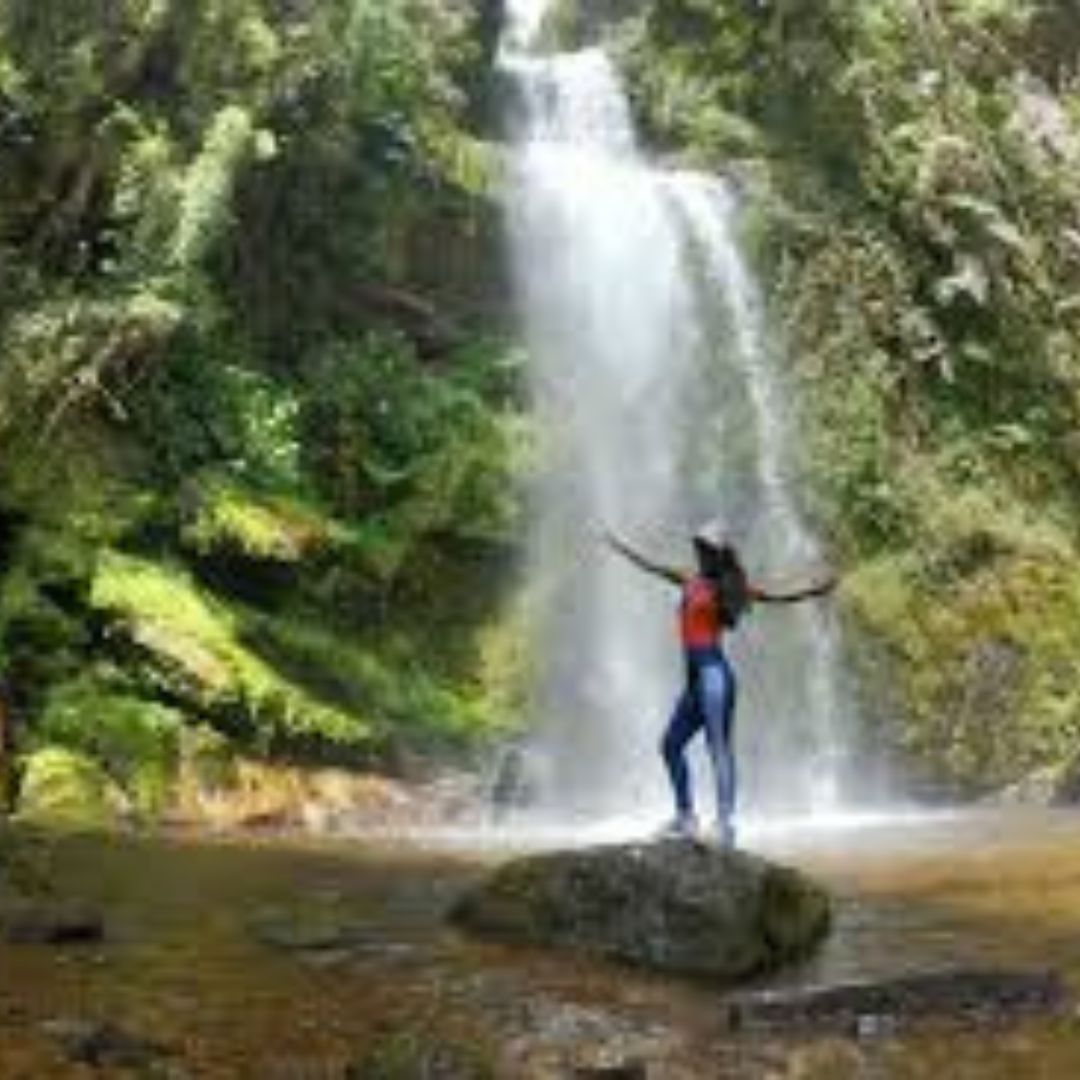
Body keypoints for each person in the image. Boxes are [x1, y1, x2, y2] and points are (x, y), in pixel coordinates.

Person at [604, 521, 836, 848]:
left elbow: (776, 596)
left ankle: (724, 825)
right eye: (699, 548)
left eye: (706, 550)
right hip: (695, 680)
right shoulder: (689, 579)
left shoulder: (730, 589)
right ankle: (685, 817)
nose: (700, 554)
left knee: (718, 748)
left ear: (718, 555)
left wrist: (813, 590)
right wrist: (619, 546)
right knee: (670, 745)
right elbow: (653, 566)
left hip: (715, 676)